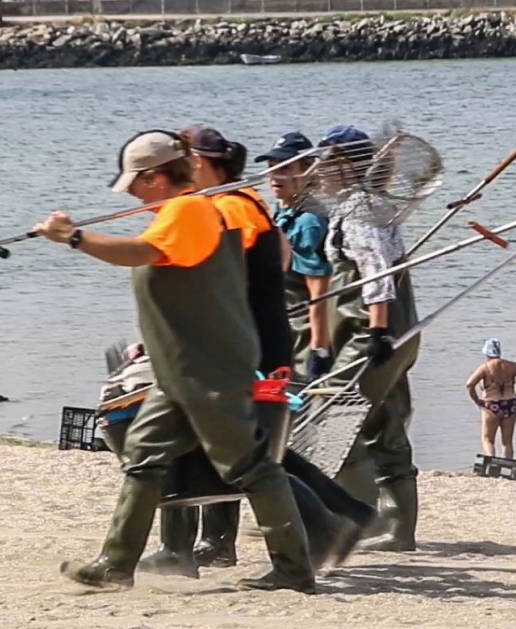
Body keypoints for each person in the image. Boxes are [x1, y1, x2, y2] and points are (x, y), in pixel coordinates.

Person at [32, 129, 314, 593]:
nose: (133, 195)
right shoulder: (180, 211)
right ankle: (115, 565)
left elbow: (139, 252)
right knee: (143, 458)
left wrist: (75, 236)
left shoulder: (188, 210)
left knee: (252, 468)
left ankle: (294, 570)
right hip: (179, 373)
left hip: (210, 373)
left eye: (136, 184)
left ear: (159, 177)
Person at [137, 125, 373, 577]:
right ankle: (210, 542)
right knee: (235, 446)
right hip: (242, 343)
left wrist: (319, 344)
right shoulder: (229, 205)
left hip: (250, 349)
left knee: (245, 452)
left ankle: (328, 524)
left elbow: (256, 276)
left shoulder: (232, 209)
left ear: (201, 164)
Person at [319, 124, 422, 553]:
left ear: (344, 165)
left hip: (373, 332)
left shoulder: (359, 210)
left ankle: (356, 518)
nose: (317, 171)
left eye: (324, 162)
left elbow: (374, 271)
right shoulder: (375, 205)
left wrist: (376, 331)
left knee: (333, 414)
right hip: (403, 331)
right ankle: (399, 529)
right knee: (386, 423)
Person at [256, 131, 334, 381]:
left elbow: (319, 293)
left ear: (308, 172)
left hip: (301, 332)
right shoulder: (283, 210)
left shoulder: (309, 222)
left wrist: (319, 350)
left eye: (286, 168)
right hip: (279, 322)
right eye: (271, 167)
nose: (275, 176)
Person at [465, 338, 516, 460]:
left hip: (491, 404)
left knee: (488, 439)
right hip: (510, 403)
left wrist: (477, 400)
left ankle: (491, 464)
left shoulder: (485, 367)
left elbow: (469, 384)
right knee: (507, 442)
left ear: (486, 353)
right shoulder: (512, 366)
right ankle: (508, 465)